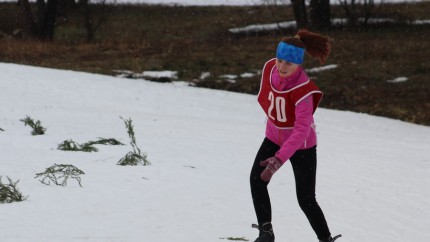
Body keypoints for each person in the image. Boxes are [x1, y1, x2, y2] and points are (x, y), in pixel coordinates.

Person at [250, 29, 341, 242]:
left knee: (306, 199)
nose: (281, 67)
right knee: (256, 180)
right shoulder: (270, 69)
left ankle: (325, 239)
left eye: (288, 64)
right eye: (280, 60)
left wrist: (279, 159)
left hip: (303, 147)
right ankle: (266, 232)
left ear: (298, 64)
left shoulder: (303, 91)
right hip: (273, 137)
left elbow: (301, 131)